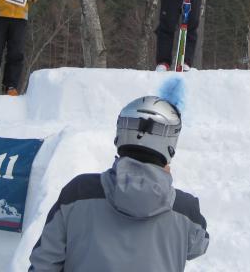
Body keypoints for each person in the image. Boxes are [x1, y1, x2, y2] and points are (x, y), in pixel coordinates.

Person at [29, 95, 209, 272]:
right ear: (170, 143)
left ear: (121, 132)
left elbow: (44, 263)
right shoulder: (185, 209)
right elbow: (198, 246)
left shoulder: (78, 192)